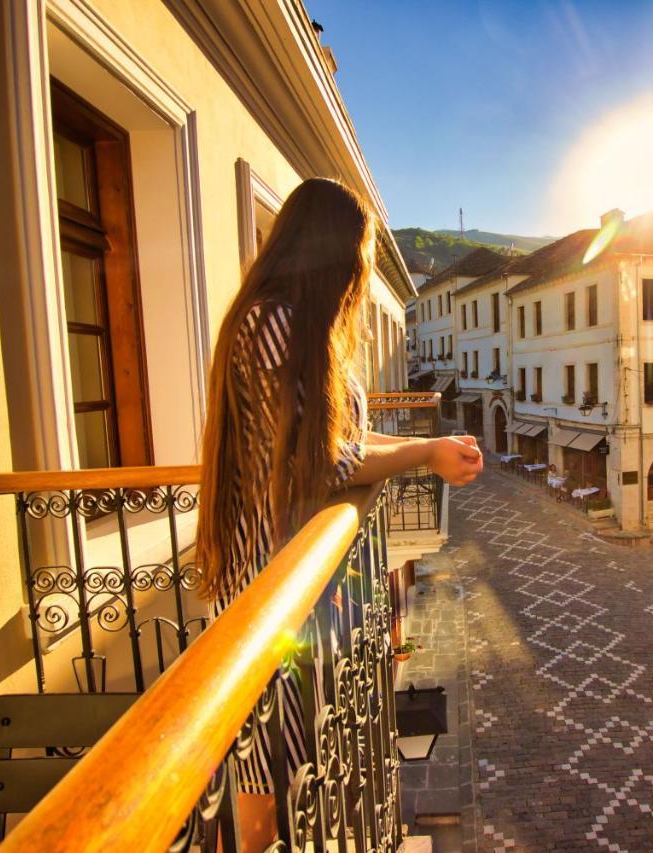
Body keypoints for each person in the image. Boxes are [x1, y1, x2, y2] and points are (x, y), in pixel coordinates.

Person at [195, 177, 482, 809]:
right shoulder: (273, 321)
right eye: (359, 255)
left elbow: (343, 436)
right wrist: (423, 455)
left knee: (299, 783)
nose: (360, 271)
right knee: (275, 793)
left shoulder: (289, 322)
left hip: (295, 584)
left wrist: (427, 450)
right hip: (274, 586)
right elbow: (321, 465)